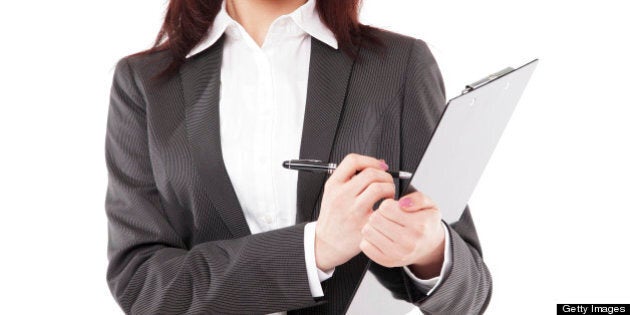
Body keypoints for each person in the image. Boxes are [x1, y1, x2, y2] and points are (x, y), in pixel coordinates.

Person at [104, 0, 492, 314]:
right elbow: (142, 287)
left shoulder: (400, 66)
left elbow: (471, 292)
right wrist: (314, 248)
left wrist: (428, 253)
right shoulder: (144, 83)